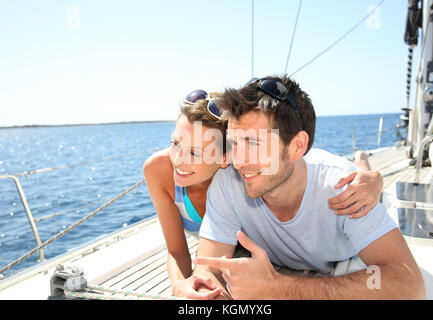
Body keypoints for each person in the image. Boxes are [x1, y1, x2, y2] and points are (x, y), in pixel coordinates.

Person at [191, 75, 425, 300]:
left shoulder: (345, 187)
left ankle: (362, 161)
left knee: (362, 171)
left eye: (253, 143)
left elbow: (410, 286)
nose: (238, 161)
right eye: (233, 143)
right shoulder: (227, 180)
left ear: (297, 146)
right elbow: (207, 272)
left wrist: (279, 288)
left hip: (343, 254)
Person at [143, 89, 385, 299]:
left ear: (226, 157)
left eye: (195, 153)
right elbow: (184, 254)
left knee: (354, 175)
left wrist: (374, 180)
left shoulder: (246, 173)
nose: (178, 159)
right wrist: (181, 286)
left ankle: (362, 163)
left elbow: (297, 165)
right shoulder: (164, 169)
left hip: (251, 242)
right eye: (175, 143)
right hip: (232, 244)